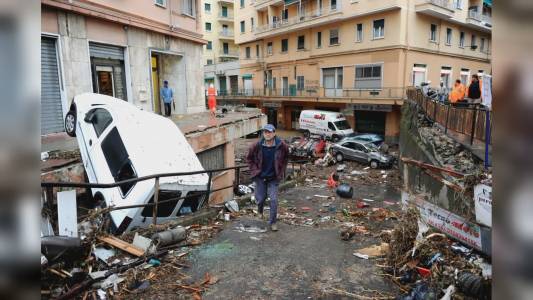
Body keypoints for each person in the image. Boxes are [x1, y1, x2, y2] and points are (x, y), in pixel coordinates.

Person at [246, 124, 289, 231]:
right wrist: (255, 170)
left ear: (274, 133)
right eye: (265, 132)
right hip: (260, 177)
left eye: (269, 132)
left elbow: (286, 158)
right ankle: (260, 210)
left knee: (274, 200)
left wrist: (281, 170)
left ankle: (273, 222)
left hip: (273, 178)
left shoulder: (281, 145)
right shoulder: (256, 145)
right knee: (260, 199)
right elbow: (249, 158)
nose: (267, 134)